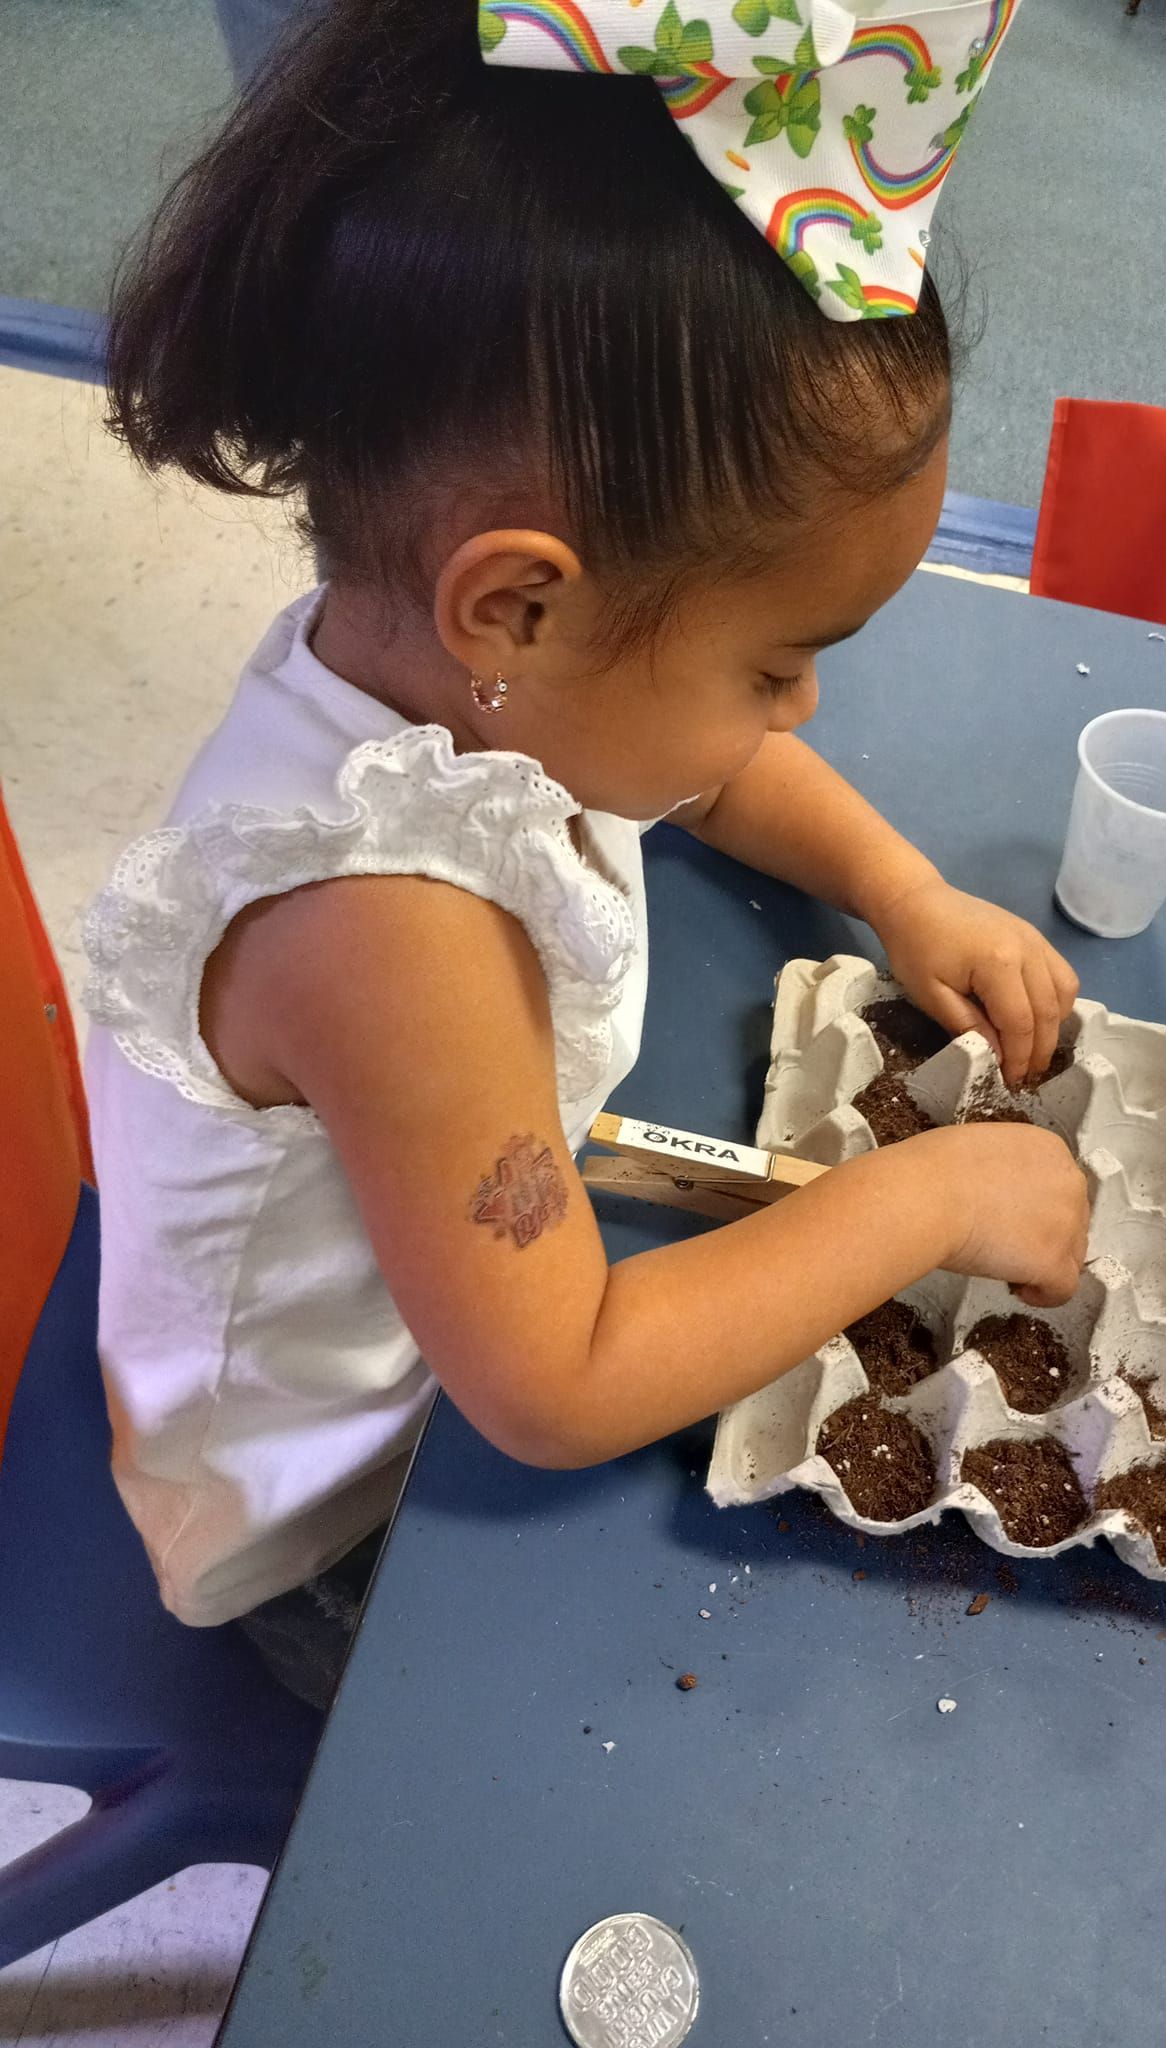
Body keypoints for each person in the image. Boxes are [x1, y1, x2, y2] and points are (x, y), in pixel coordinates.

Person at [87, 0, 1089, 1709]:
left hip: (459, 1326)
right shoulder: (391, 933)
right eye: (775, 663)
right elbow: (556, 1384)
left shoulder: (466, 679)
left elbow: (690, 775)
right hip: (340, 1518)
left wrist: (900, 888)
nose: (805, 707)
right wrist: (927, 1193)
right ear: (522, 603)